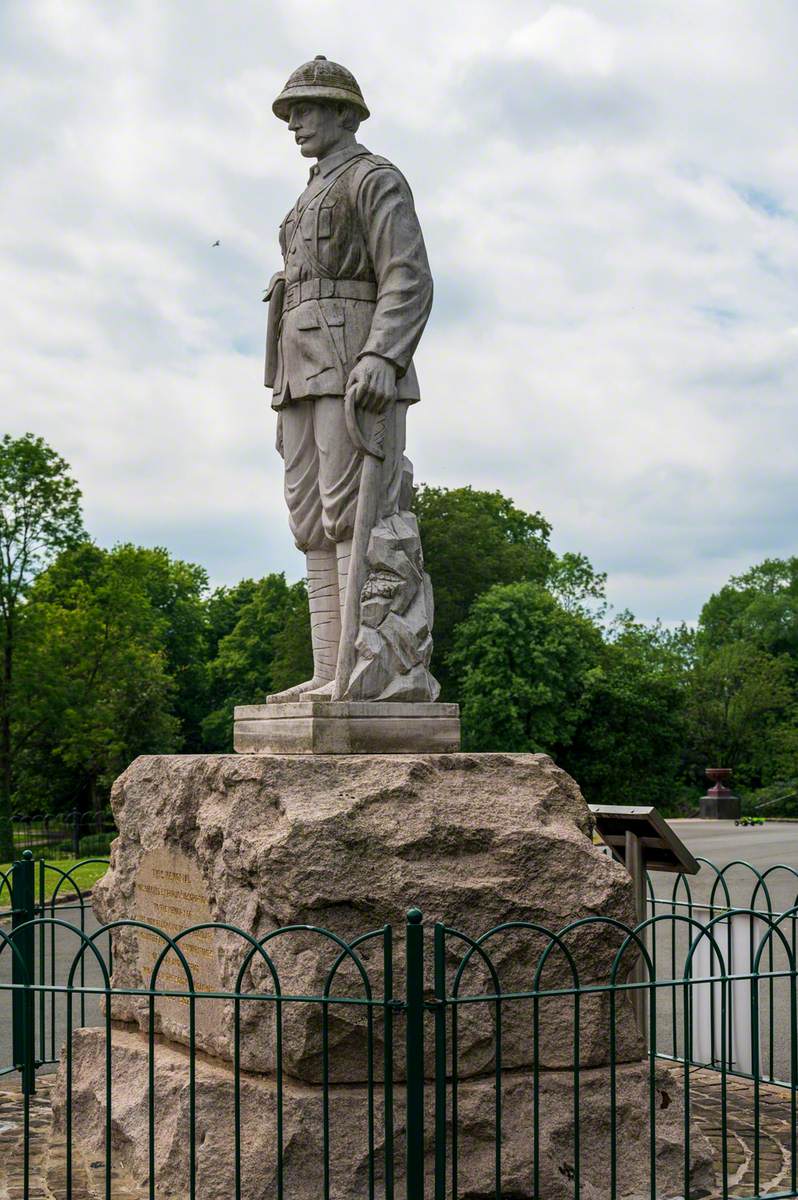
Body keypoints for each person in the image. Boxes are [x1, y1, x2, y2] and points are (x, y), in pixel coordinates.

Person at [264, 56, 433, 701]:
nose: (295, 123)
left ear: (344, 113)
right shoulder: (305, 196)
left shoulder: (374, 179)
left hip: (351, 364)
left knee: (350, 515)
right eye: (290, 113)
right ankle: (325, 672)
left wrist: (382, 357)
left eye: (305, 110)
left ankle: (359, 675)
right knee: (308, 520)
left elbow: (407, 274)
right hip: (298, 372)